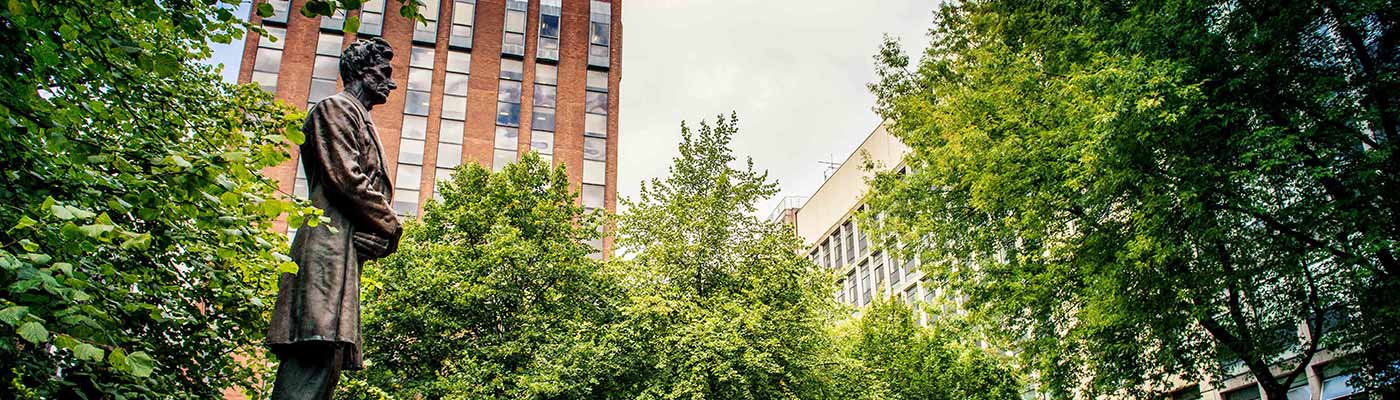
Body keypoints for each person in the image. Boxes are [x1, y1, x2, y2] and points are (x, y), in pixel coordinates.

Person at [266, 37, 401, 400]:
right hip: (325, 251)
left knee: (330, 359)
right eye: (383, 72)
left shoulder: (361, 118)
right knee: (315, 351)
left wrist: (379, 241)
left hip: (343, 255)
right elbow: (346, 178)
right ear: (359, 71)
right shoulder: (335, 108)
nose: (391, 82)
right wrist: (392, 225)